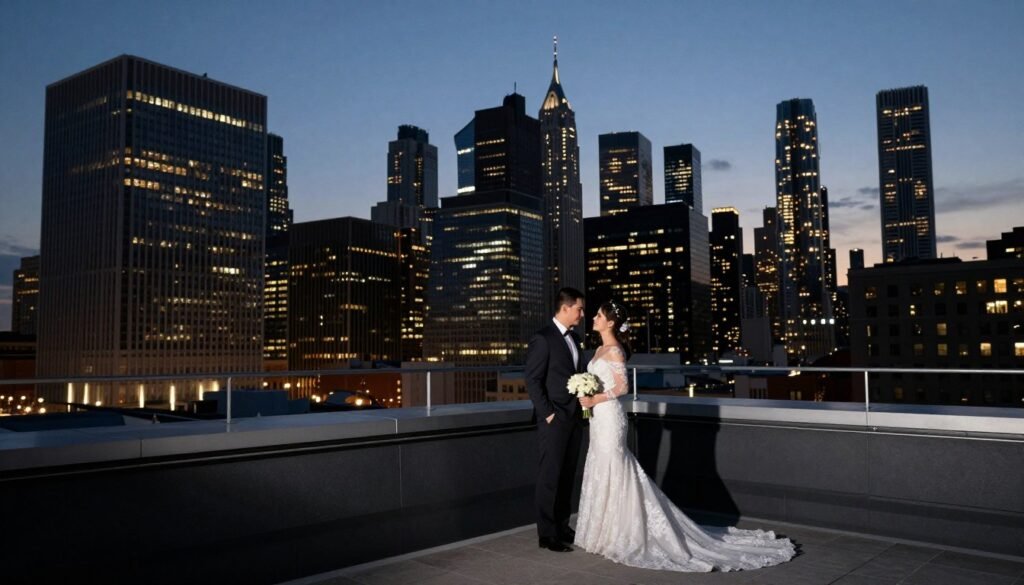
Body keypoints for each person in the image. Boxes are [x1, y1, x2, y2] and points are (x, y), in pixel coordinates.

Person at [574, 300, 796, 571]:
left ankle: (622, 532)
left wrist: (595, 398)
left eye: (598, 315)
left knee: (615, 466)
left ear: (610, 323)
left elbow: (622, 387)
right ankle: (602, 532)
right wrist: (587, 397)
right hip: (598, 418)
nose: (594, 318)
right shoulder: (598, 349)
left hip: (609, 415)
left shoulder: (615, 351)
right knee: (599, 463)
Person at [525, 287, 586, 552]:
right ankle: (547, 534)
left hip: (574, 418)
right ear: (565, 308)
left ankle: (562, 526)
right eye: (579, 309)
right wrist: (548, 413)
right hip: (554, 419)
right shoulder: (543, 338)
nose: (582, 314)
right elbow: (533, 380)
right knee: (550, 476)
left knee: (567, 476)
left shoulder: (576, 338)